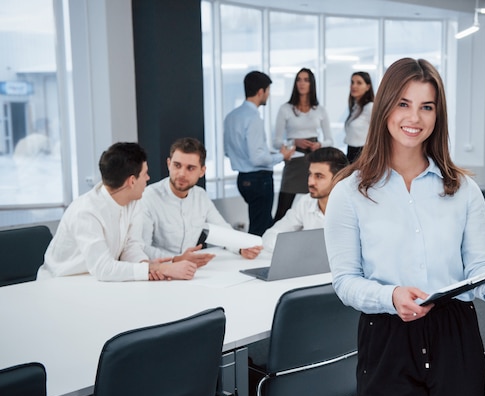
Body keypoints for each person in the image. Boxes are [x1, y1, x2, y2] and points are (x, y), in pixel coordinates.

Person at [324, 58, 485, 396]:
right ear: (385, 107)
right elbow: (345, 282)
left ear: (438, 115)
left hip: (455, 335)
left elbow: (481, 267)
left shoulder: (462, 188)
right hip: (387, 336)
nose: (414, 118)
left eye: (427, 107)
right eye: (403, 104)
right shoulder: (349, 193)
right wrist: (390, 296)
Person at [38, 142, 197, 282]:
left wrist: (147, 267)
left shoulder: (134, 201)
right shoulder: (85, 211)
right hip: (61, 283)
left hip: (97, 281)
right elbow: (103, 268)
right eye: (145, 173)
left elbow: (131, 248)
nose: (148, 178)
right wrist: (160, 269)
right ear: (132, 181)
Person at [142, 137, 262, 265]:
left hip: (191, 271)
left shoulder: (201, 196)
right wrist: (176, 260)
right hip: (160, 272)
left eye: (190, 168)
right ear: (168, 164)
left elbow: (222, 229)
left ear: (202, 171)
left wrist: (240, 247)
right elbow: (142, 247)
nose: (182, 173)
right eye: (177, 165)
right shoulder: (149, 197)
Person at [224, 71, 295, 236]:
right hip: (259, 180)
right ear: (261, 91)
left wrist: (270, 152)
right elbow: (258, 158)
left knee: (260, 223)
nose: (268, 95)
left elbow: (229, 151)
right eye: (268, 91)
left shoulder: (231, 117)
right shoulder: (254, 117)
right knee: (260, 230)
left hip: (243, 179)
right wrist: (282, 156)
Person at [273, 68, 333, 222]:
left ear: (311, 84)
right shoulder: (285, 109)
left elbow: (330, 141)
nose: (302, 83)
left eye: (306, 80)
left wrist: (319, 144)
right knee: (282, 212)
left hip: (313, 163)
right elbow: (276, 142)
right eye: (299, 79)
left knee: (318, 209)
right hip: (294, 163)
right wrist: (294, 142)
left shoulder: (319, 110)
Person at [261, 147, 348, 252]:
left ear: (339, 178)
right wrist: (299, 250)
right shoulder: (306, 202)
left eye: (319, 176)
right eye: (310, 174)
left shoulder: (355, 207)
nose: (311, 182)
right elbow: (271, 235)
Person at [344, 71, 375, 163]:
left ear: (368, 87)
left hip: (363, 154)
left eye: (359, 83)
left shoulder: (370, 107)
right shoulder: (355, 107)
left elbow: (379, 133)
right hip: (351, 152)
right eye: (352, 82)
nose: (354, 86)